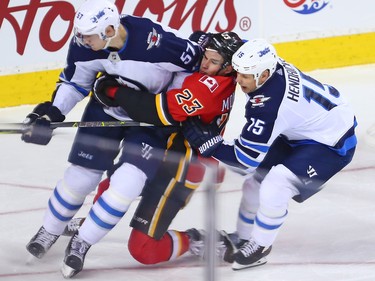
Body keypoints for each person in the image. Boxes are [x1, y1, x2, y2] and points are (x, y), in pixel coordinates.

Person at [22, 0, 203, 278]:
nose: (82, 40)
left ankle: (82, 241)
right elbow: (74, 82)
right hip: (105, 106)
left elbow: (194, 65)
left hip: (150, 119)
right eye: (80, 34)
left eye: (88, 35)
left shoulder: (155, 42)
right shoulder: (84, 45)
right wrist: (53, 114)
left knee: (127, 183)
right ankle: (49, 230)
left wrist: (171, 106)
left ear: (109, 29)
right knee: (80, 177)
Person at [61, 31, 243, 277]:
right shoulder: (217, 59)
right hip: (164, 143)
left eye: (212, 62)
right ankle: (91, 223)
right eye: (205, 57)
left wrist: (113, 91)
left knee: (144, 249)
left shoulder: (209, 88)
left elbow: (157, 111)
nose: (204, 64)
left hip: (180, 167)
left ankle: (201, 241)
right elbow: (193, 42)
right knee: (118, 184)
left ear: (229, 67)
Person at [182, 38, 357, 270]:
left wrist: (209, 144)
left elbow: (245, 159)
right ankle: (245, 238)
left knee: (276, 185)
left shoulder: (268, 105)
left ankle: (261, 247)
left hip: (332, 142)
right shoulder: (266, 64)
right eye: (239, 72)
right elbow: (238, 46)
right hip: (307, 127)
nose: (239, 79)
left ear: (264, 75)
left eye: (246, 76)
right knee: (254, 183)